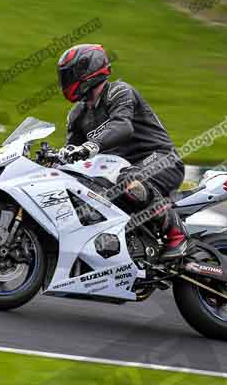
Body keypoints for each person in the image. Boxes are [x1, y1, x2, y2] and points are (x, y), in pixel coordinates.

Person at [56, 43, 188, 260]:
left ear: (88, 71)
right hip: (119, 170)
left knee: (129, 179)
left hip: (162, 160)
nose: (66, 81)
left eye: (70, 74)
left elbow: (122, 126)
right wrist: (55, 159)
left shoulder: (119, 91)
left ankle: (176, 234)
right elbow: (72, 153)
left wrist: (91, 146)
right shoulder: (77, 114)